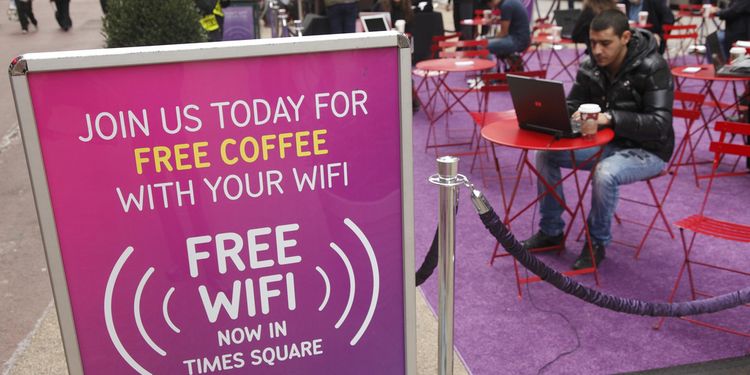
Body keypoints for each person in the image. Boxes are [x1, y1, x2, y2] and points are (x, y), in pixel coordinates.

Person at [521, 9, 674, 270]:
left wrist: (610, 117)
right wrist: (556, 114)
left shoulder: (654, 66)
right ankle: (551, 231)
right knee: (545, 154)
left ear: (625, 37)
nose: (598, 50)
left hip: (649, 150)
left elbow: (659, 126)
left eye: (605, 43)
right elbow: (571, 104)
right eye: (593, 43)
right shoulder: (590, 65)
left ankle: (596, 243)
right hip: (606, 144)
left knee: (604, 174)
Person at [486, 0, 530, 65]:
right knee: (487, 41)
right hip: (523, 39)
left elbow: (503, 33)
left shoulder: (506, 6)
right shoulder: (511, 2)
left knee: (482, 46)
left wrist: (491, 38)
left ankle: (490, 72)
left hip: (517, 41)